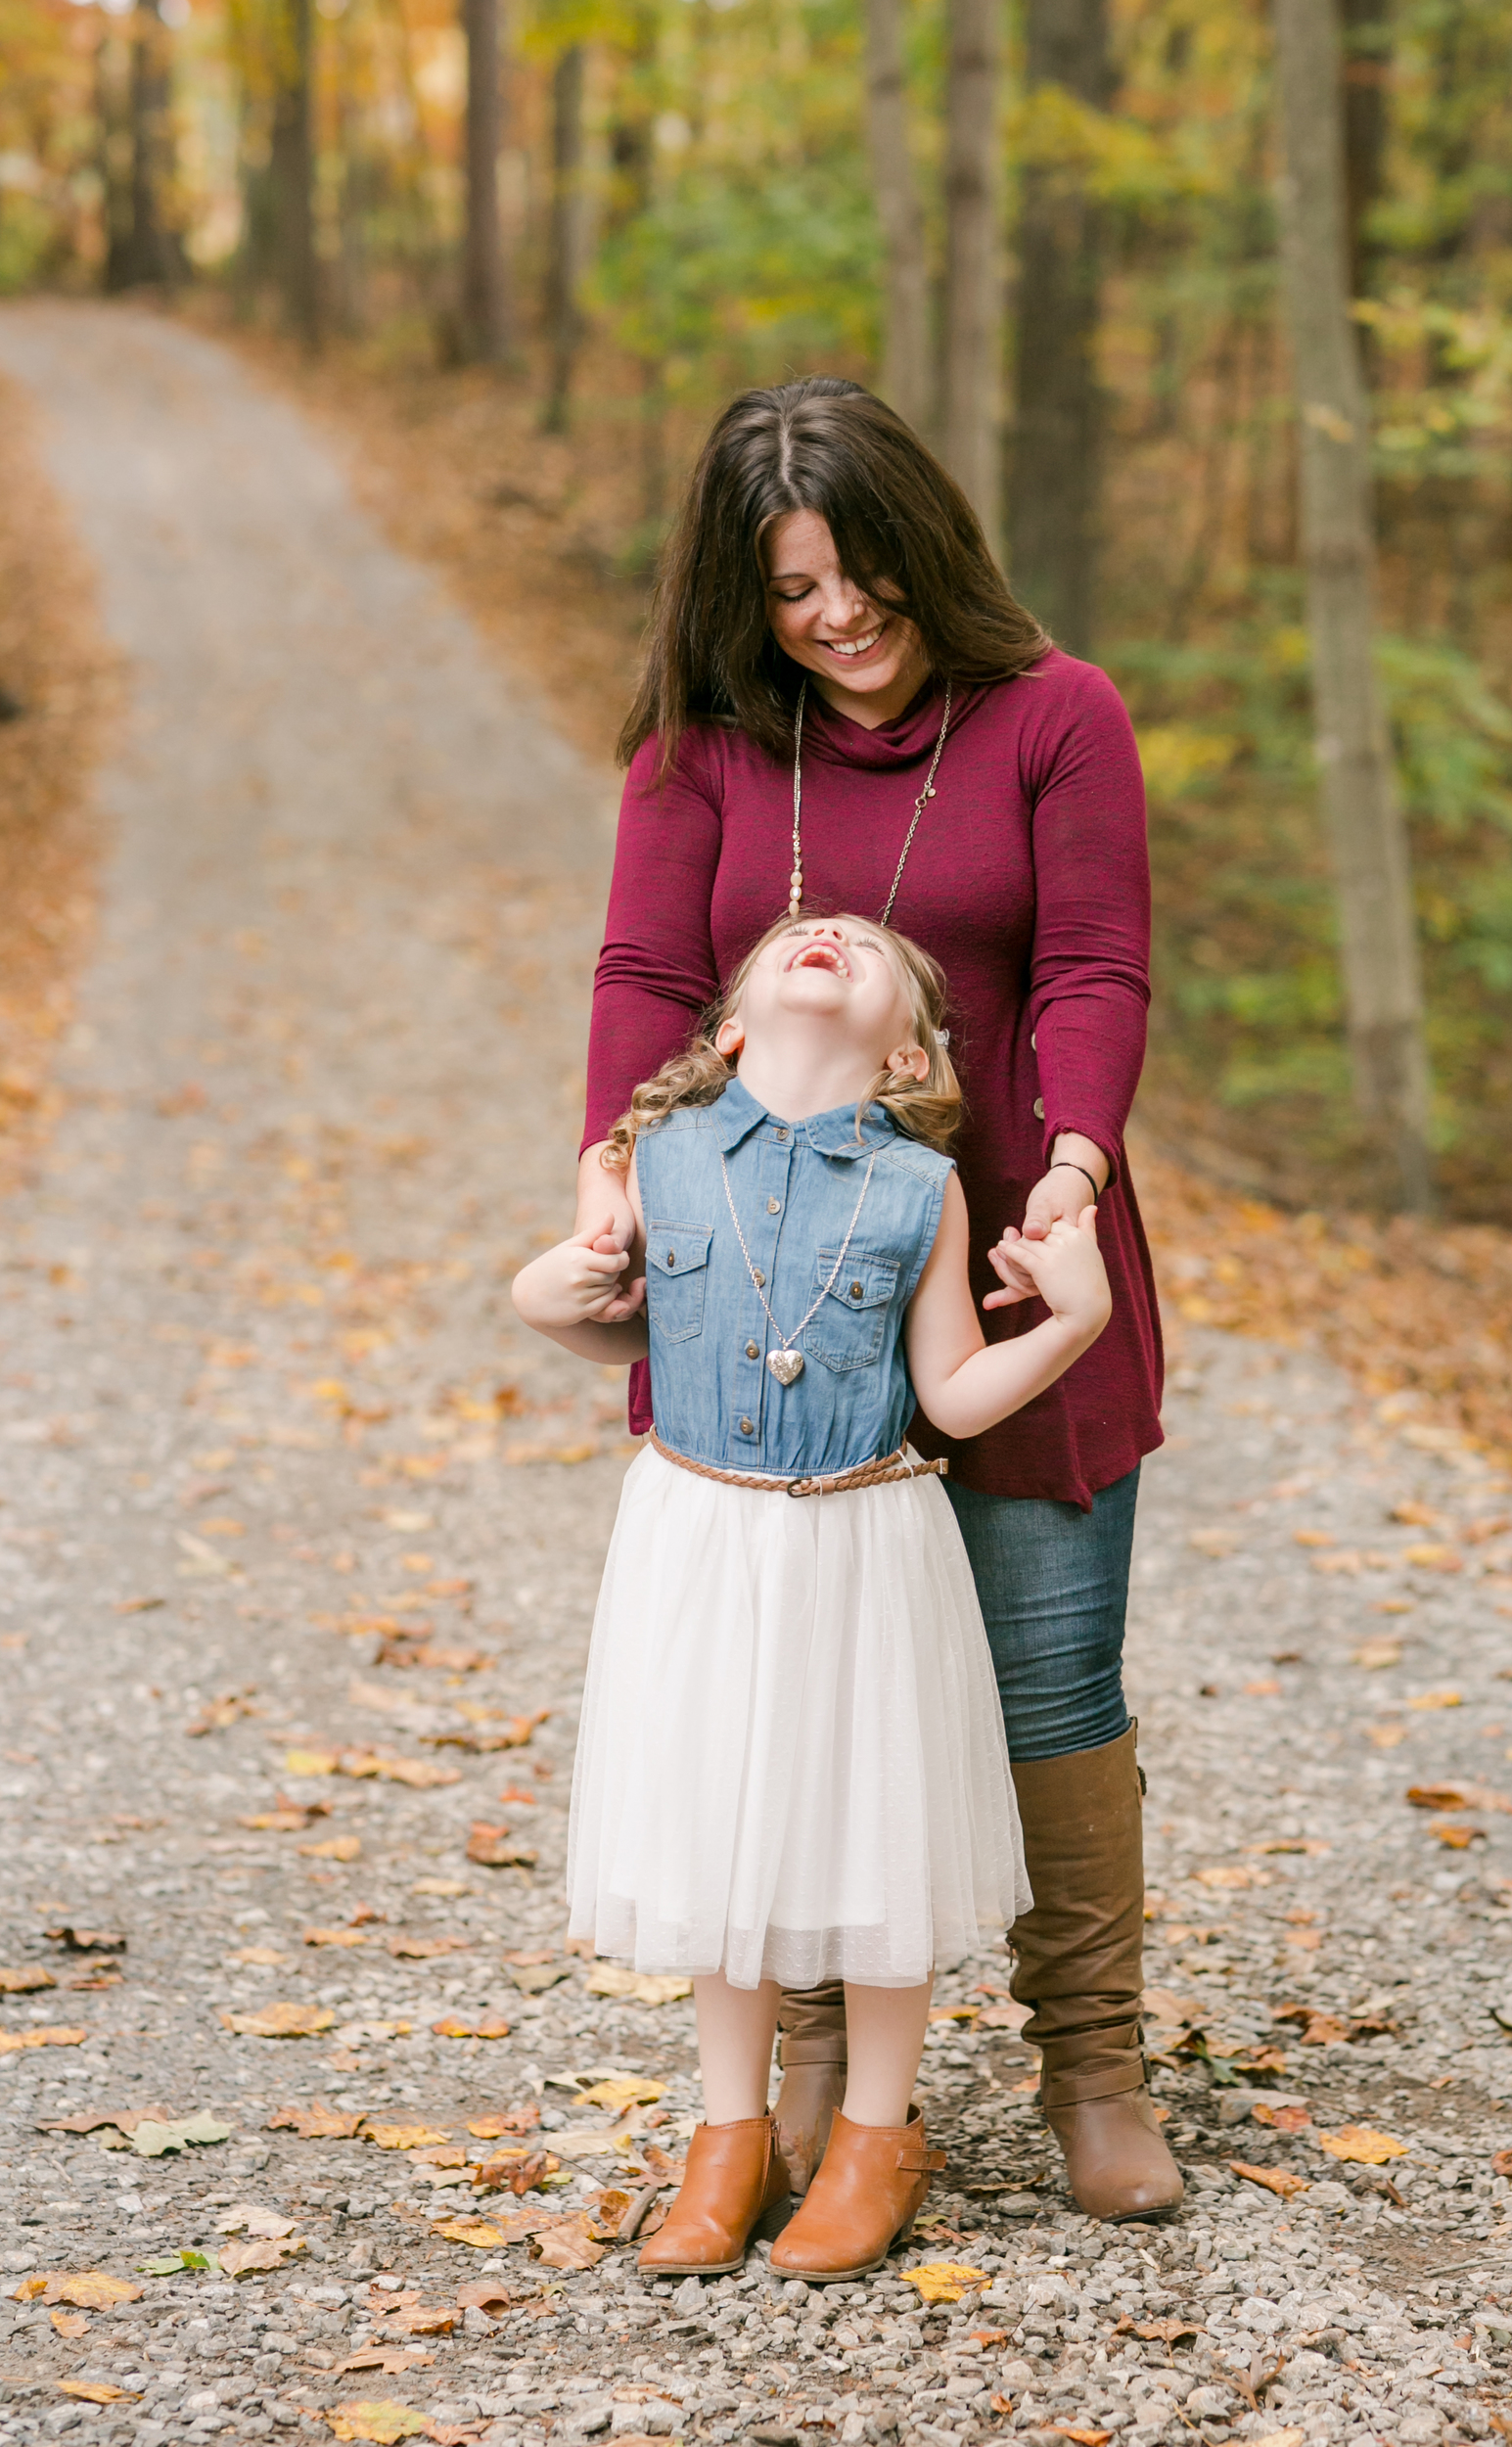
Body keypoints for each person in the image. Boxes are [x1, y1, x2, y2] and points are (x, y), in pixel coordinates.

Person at [572, 375, 1181, 2224]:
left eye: (860, 576)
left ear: (927, 551)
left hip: (1005, 1255)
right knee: (791, 1673)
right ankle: (817, 2080)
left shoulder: (1053, 717)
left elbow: (1093, 967)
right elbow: (639, 971)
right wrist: (607, 1173)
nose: (831, 618)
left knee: (1051, 1678)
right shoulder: (701, 751)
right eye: (786, 591)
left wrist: (1065, 1179)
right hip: (764, 1280)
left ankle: (1092, 2061)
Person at [512, 909, 1113, 2280]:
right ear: (728, 1030)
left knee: (867, 1822)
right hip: (698, 1533)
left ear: (906, 1049)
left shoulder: (921, 1187)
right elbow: (610, 1321)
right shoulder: (654, 1159)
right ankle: (724, 2138)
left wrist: (1071, 1321)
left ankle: (874, 2137)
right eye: (798, 932)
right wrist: (537, 1297)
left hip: (861, 1533)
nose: (827, 932)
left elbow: (953, 1390)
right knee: (722, 1825)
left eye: (861, 942)